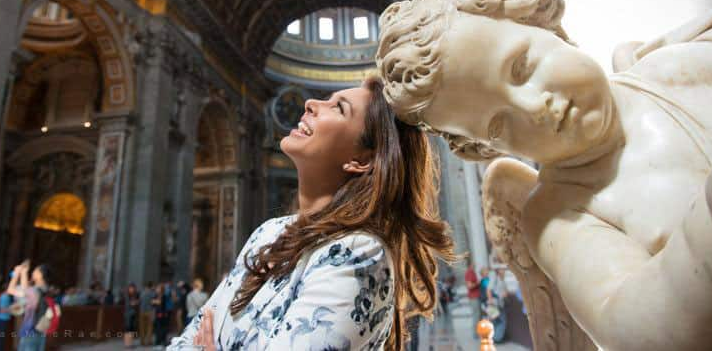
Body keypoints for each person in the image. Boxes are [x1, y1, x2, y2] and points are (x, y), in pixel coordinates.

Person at [376, 0, 712, 349]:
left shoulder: (682, 65)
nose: (533, 108)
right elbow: (629, 327)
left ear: (538, 21)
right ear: (486, 149)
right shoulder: (561, 215)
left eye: (522, 67)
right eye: (499, 125)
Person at [170, 78, 454, 350]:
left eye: (338, 108)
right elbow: (187, 339)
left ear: (362, 160)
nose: (310, 103)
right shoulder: (269, 232)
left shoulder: (360, 253)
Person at [7, 260, 50, 351]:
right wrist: (24, 273)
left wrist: (17, 273)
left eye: (35, 271)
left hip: (30, 330)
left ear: (40, 275)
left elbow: (11, 290)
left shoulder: (34, 291)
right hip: (41, 329)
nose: (33, 272)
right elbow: (25, 290)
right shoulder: (46, 290)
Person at [0, 286, 14, 351]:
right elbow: (2, 310)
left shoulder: (5, 296)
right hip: (3, 319)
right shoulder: (4, 297)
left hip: (4, 319)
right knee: (1, 337)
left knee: (2, 337)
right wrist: (12, 309)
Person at [464, 261, 481, 328]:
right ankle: (476, 333)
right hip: (474, 297)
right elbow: (469, 286)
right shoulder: (469, 272)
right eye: (474, 263)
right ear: (471, 264)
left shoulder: (472, 272)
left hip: (476, 296)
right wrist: (478, 283)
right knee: (476, 315)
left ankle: (479, 332)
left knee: (478, 315)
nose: (475, 264)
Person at [138, 282, 155, 346]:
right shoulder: (152, 293)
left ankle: (142, 341)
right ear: (151, 286)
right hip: (149, 311)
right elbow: (153, 301)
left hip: (141, 311)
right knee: (149, 327)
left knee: (142, 327)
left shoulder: (142, 293)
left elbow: (140, 301)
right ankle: (148, 342)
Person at [123, 284, 139, 348]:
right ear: (129, 289)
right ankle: (127, 343)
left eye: (133, 288)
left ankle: (130, 343)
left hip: (133, 314)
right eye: (131, 288)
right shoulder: (127, 296)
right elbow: (130, 304)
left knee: (132, 329)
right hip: (128, 314)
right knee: (128, 328)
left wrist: (135, 302)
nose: (132, 289)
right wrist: (135, 302)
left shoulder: (134, 295)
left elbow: (135, 303)